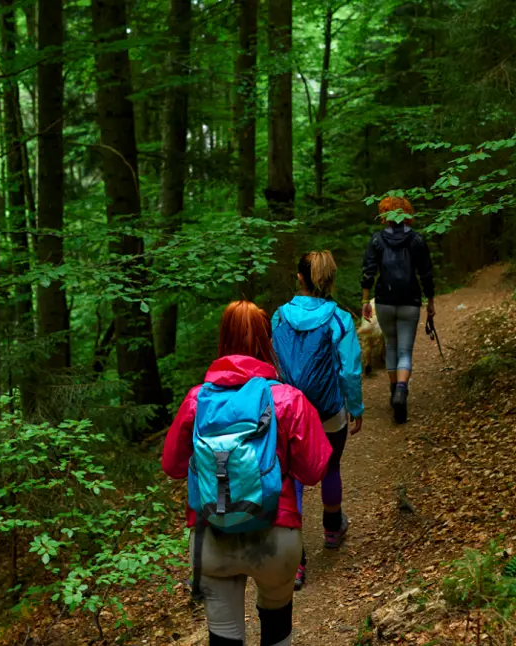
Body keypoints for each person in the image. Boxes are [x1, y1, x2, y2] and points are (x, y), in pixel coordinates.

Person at [162, 301, 332, 646]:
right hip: (276, 534)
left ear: (222, 339)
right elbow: (314, 470)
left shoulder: (197, 401)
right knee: (276, 630)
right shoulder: (288, 400)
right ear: (267, 340)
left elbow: (173, 466)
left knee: (224, 639)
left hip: (212, 534)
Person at [271, 251, 364, 590]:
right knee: (332, 466)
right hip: (328, 411)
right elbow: (351, 369)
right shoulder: (339, 318)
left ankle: (296, 564)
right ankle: (332, 529)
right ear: (329, 279)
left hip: (288, 412)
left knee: (292, 480)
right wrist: (356, 407)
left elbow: (274, 361)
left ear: (300, 278)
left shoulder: (279, 317)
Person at [361, 196, 435, 424]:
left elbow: (368, 272)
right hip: (410, 301)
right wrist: (431, 301)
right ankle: (402, 389)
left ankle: (394, 391)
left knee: (391, 346)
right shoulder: (417, 240)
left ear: (384, 214)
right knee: (405, 350)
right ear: (407, 214)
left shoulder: (376, 241)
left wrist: (365, 301)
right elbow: (426, 273)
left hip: (384, 300)